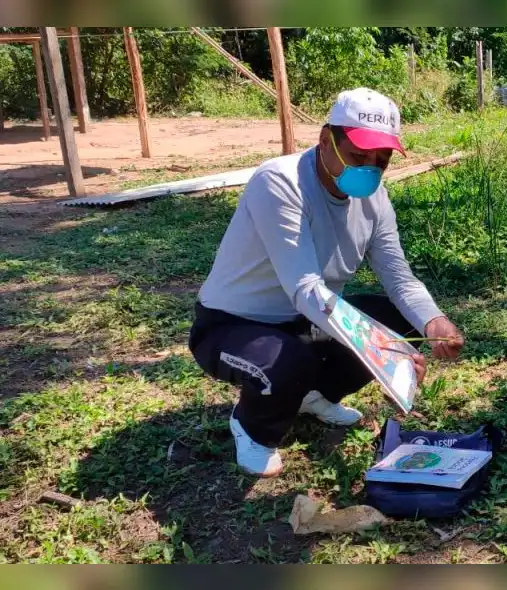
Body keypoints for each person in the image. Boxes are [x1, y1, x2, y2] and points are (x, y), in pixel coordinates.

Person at [189, 88, 464, 477]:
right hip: (234, 323)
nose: (369, 169)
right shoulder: (280, 182)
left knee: (399, 319)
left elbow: (399, 278)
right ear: (325, 139)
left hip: (306, 321)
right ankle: (252, 427)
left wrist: (434, 323)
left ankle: (312, 396)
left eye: (381, 161)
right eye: (358, 156)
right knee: (289, 360)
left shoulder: (375, 200)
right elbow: (306, 288)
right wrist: (383, 352)